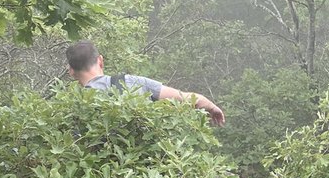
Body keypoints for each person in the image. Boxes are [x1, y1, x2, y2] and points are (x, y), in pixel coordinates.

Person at [65, 40, 225, 125]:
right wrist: (212, 107)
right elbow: (189, 99)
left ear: (71, 70)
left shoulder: (69, 108)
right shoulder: (131, 82)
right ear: (100, 61)